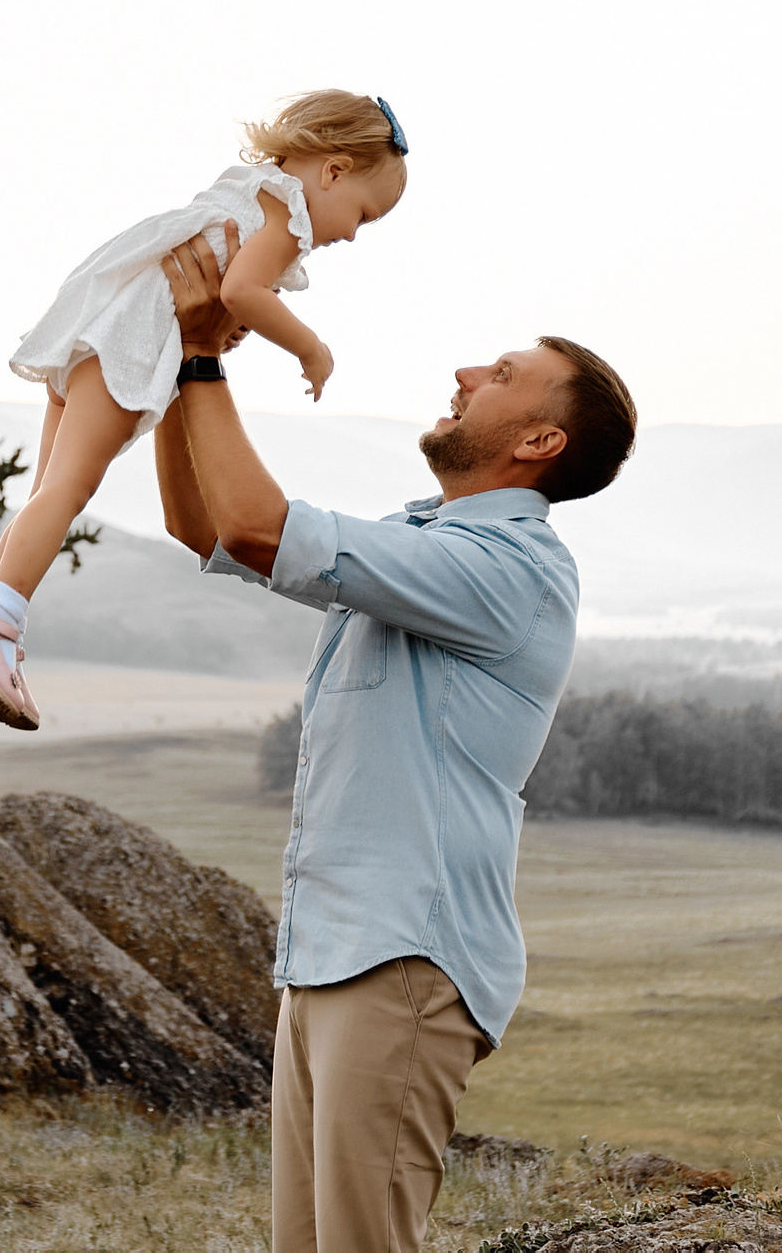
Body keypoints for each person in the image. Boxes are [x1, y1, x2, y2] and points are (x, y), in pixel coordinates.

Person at [152, 225, 635, 1253]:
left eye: (502, 374)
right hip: (332, 951)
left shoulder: (508, 570)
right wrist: (172, 362)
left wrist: (204, 360)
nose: (465, 372)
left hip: (404, 957)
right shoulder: (421, 538)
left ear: (539, 441)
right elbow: (201, 524)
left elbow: (252, 525)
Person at [0, 91, 412, 733]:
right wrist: (311, 348)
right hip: (128, 340)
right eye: (364, 213)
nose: (353, 233)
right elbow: (243, 291)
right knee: (70, 490)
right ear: (332, 171)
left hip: (95, 326)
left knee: (50, 491)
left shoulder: (252, 188)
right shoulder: (284, 216)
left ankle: (1, 620)